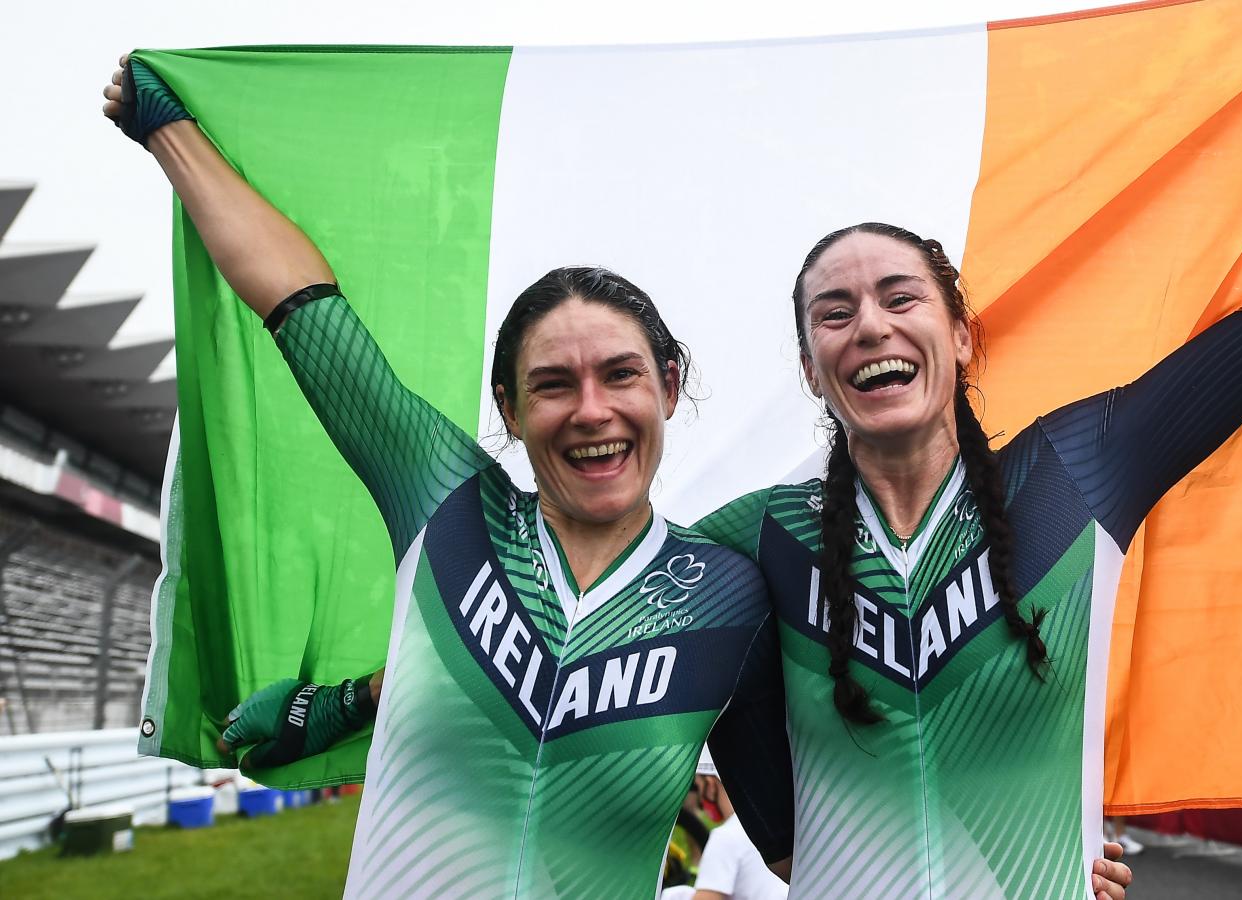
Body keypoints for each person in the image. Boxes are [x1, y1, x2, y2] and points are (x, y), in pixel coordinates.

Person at [695, 4, 1242, 899]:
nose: (869, 323)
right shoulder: (750, 539)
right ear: (810, 367)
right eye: (834, 313)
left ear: (959, 332)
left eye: (900, 297)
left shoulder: (1077, 468)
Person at [103, 70, 785, 897]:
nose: (591, 410)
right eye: (554, 384)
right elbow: (297, 301)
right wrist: (168, 128)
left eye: (621, 375)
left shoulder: (732, 594)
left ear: (669, 388)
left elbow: (802, 840)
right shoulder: (447, 502)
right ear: (509, 405)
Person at [692, 751, 789, 900]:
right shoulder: (773, 826)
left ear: (711, 785)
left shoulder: (725, 836)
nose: (700, 802)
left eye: (698, 787)